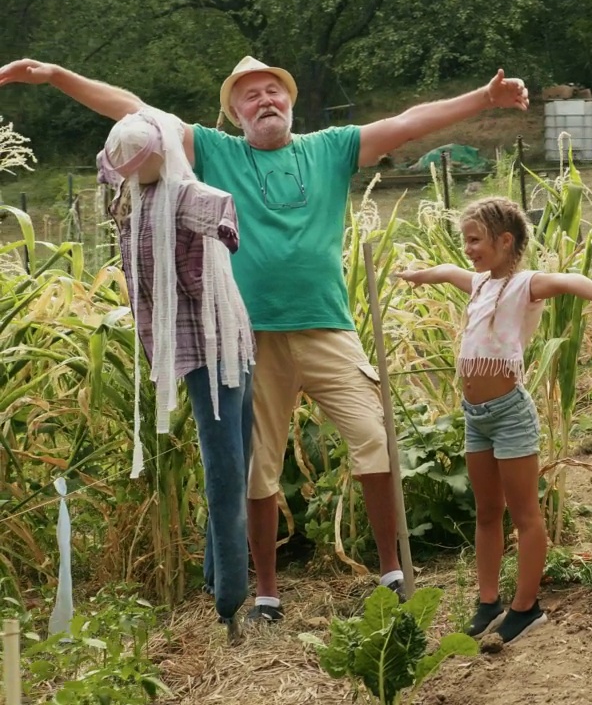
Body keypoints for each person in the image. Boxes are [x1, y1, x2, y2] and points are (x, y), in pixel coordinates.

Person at [0, 56, 529, 624]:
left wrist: (482, 98)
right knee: (258, 467)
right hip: (248, 339)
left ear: (291, 101)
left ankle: (392, 572)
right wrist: (58, 77)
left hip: (329, 327)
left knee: (375, 440)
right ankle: (268, 597)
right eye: (250, 96)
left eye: (274, 90)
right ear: (234, 113)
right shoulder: (218, 151)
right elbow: (135, 112)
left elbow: (408, 122)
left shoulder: (330, 147)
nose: (265, 100)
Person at [395, 197, 592, 644]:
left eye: (475, 240)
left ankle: (526, 607)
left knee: (525, 513)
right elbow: (445, 272)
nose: (467, 249)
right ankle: (487, 600)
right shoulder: (477, 284)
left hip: (510, 414)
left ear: (505, 240)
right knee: (487, 512)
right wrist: (417, 276)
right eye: (465, 241)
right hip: (476, 418)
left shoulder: (526, 284)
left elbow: (570, 280)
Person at [97, 109, 255, 642]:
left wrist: (224, 235)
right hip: (189, 346)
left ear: (163, 155)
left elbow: (222, 213)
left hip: (221, 344)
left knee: (231, 468)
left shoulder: (183, 196)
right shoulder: (131, 197)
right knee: (225, 466)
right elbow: (107, 164)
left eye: (142, 163)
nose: (132, 172)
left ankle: (228, 592)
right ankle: (223, 586)